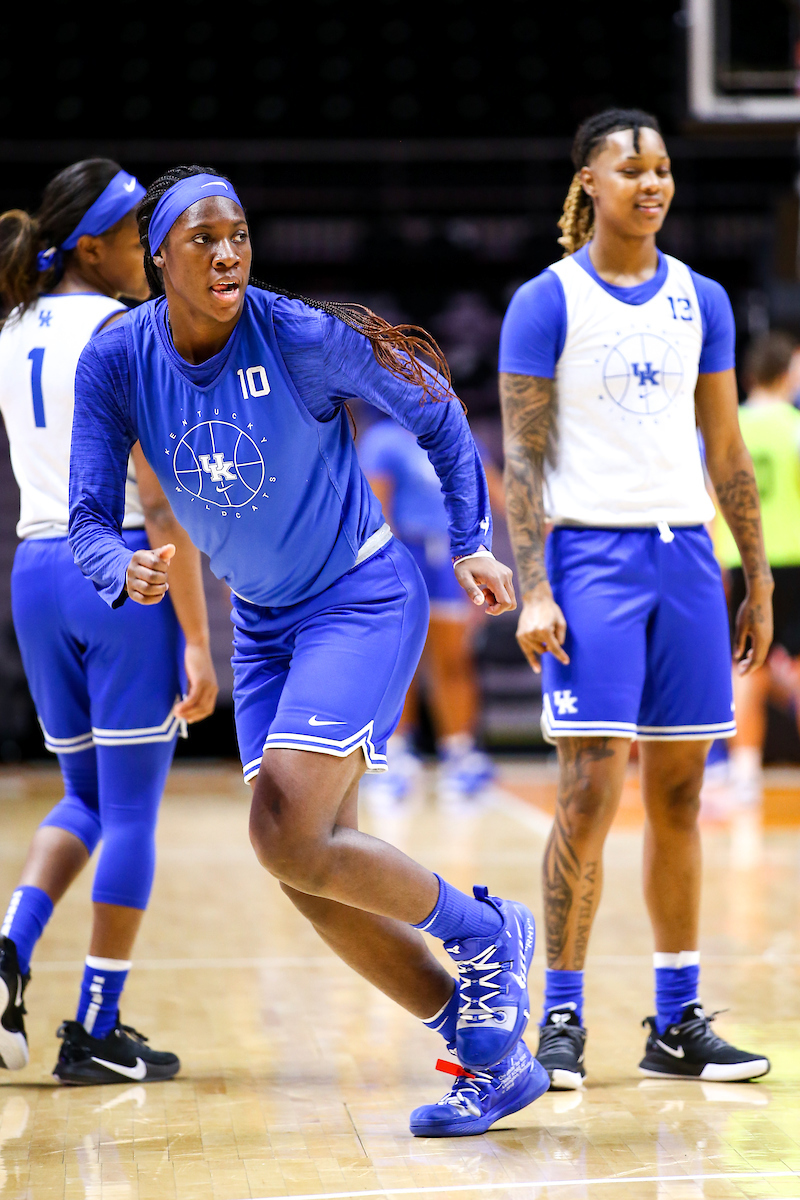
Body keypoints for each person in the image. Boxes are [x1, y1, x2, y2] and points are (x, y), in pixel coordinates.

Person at [66, 165, 549, 1136]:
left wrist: (465, 539)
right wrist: (119, 567)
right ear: (158, 257)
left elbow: (433, 408)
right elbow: (84, 517)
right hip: (262, 623)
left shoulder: (295, 334)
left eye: (238, 232)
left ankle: (490, 934)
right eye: (202, 238)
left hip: (357, 598)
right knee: (307, 870)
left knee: (283, 833)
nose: (227, 251)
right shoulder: (116, 359)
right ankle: (486, 1058)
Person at [499, 108, 773, 1089]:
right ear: (587, 183)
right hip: (588, 562)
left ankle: (673, 1020)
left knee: (681, 794)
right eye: (629, 170)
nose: (650, 184)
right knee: (584, 795)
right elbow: (520, 459)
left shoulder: (701, 299)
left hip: (685, 561)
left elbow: (724, 448)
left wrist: (754, 572)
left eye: (660, 169)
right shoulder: (546, 300)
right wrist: (531, 587)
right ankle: (560, 1015)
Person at [0, 160, 218, 1084]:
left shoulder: (13, 326)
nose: (153, 250)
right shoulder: (130, 333)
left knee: (84, 799)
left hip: (35, 569)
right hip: (119, 564)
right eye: (140, 236)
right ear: (94, 245)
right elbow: (164, 505)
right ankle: (95, 1026)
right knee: (130, 811)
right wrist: (204, 642)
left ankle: (8, 949)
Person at [358, 417, 504, 805]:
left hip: (453, 554)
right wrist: (384, 572)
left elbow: (490, 491)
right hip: (407, 552)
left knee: (454, 658)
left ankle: (460, 754)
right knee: (401, 660)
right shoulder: (384, 439)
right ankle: (394, 755)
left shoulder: (458, 432)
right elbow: (377, 507)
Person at [715, 330, 800, 810]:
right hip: (795, 557)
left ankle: (744, 774)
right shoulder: (794, 426)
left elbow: (708, 494)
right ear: (788, 370)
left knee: (746, 666)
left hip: (742, 560)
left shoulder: (731, 425)